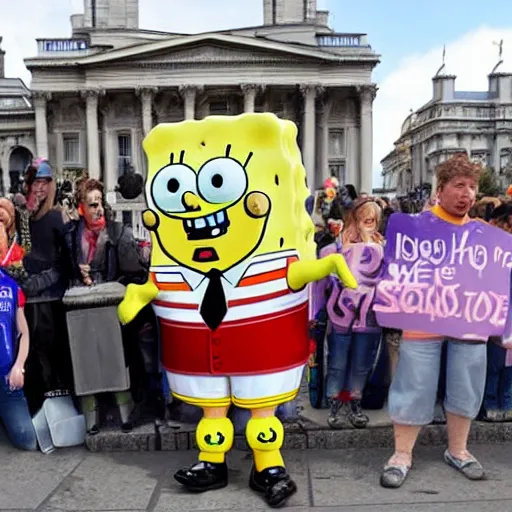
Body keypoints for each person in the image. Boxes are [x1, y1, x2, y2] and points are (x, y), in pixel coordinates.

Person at [380, 153, 487, 488]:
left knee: (466, 383)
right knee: (413, 382)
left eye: (472, 187)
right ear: (440, 189)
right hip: (422, 320)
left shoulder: (485, 233)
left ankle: (458, 450)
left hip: (471, 322)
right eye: (459, 185)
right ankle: (401, 454)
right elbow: (393, 270)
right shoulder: (415, 228)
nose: (467, 193)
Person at [64, 177, 147, 434]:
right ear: (81, 208)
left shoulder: (118, 231)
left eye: (99, 203)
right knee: (83, 355)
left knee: (115, 354)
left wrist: (108, 282)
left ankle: (125, 405)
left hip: (113, 306)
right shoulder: (70, 236)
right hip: (82, 308)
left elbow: (134, 273)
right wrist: (78, 273)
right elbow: (63, 270)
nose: (97, 209)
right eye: (91, 205)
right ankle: (91, 410)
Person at [315, 198, 384, 428]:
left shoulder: (382, 250)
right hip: (340, 316)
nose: (370, 219)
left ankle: (354, 401)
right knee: (338, 360)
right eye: (365, 214)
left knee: (362, 362)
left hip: (370, 317)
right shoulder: (331, 250)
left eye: (374, 216)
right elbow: (318, 286)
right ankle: (335, 402)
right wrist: (314, 314)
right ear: (353, 217)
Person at [20, 158, 74, 414]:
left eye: (44, 183)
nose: (39, 188)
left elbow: (66, 262)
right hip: (27, 301)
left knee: (53, 357)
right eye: (34, 183)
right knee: (33, 359)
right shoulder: (23, 219)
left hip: (51, 300)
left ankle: (59, 412)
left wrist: (38, 283)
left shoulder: (55, 217)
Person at [0, 268, 37, 451]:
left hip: (6, 376)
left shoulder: (10, 286)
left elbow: (23, 332)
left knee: (27, 440)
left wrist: (19, 365)